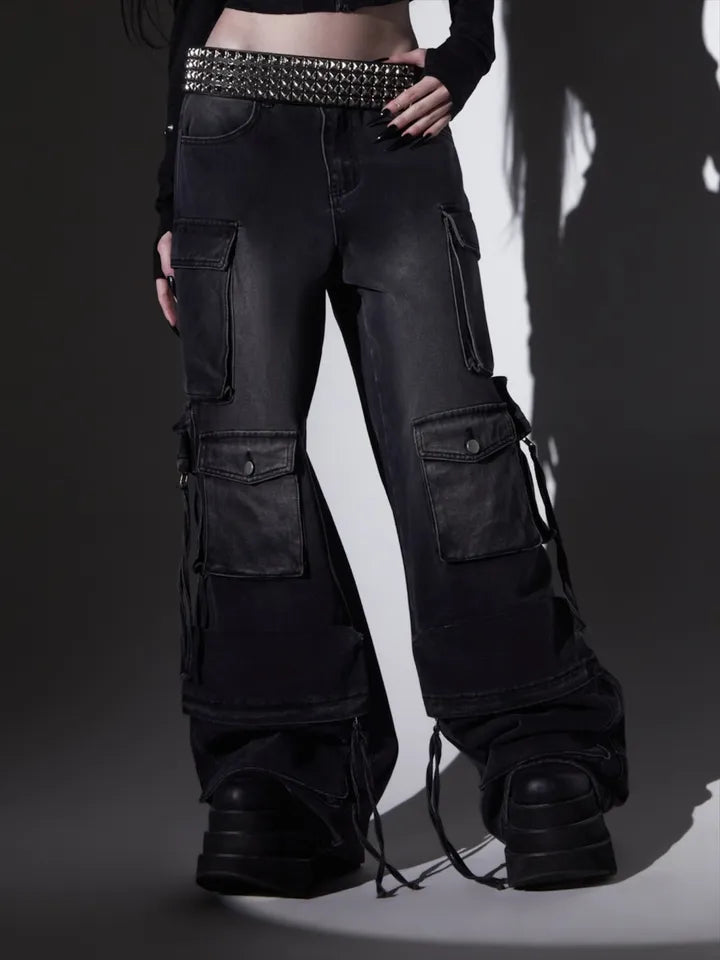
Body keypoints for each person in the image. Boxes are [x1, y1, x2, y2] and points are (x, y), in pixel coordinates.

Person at [122, 0, 629, 899]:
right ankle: (285, 772)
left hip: (393, 124)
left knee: (457, 453)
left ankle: (538, 749)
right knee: (247, 465)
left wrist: (467, 52)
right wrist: (173, 198)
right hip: (230, 123)